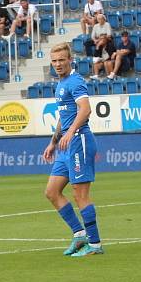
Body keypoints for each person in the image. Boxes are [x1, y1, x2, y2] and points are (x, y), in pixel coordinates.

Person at [43, 42, 103, 257]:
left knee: (80, 194)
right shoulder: (61, 84)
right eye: (54, 61)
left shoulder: (76, 81)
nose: (58, 64)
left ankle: (94, 245)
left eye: (61, 60)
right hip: (65, 145)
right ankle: (79, 235)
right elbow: (64, 116)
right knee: (52, 191)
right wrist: (53, 141)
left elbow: (85, 109)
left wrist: (69, 133)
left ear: (70, 60)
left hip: (79, 141)